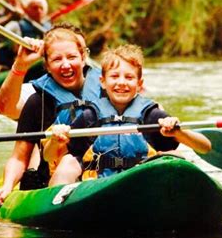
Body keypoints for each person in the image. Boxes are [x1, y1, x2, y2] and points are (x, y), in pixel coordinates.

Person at [43, 44, 212, 186]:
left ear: (139, 84)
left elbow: (205, 147)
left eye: (129, 77)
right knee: (67, 163)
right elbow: (49, 156)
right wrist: (55, 141)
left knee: (175, 159)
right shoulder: (90, 116)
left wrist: (178, 133)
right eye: (114, 76)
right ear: (102, 82)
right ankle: (55, 209)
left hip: (142, 184)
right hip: (98, 187)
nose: (121, 82)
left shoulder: (151, 116)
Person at [0, 23, 103, 208]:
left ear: (83, 58)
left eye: (72, 57)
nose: (65, 64)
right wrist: (8, 186)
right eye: (57, 59)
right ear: (47, 66)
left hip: (103, 171)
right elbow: (19, 156)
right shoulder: (37, 101)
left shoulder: (109, 90)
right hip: (56, 178)